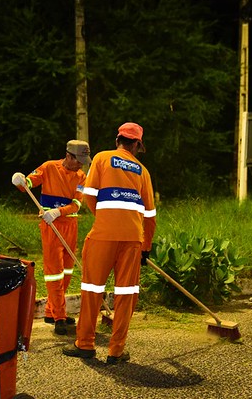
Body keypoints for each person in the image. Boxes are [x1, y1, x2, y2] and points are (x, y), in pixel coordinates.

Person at [63, 122, 156, 364]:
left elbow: (88, 196)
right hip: (133, 240)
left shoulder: (102, 158)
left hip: (102, 236)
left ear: (118, 140)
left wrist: (105, 218)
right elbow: (150, 216)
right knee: (126, 294)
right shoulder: (143, 171)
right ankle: (116, 351)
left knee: (92, 290)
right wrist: (146, 247)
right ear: (136, 145)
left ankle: (84, 345)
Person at [11, 140, 90, 335]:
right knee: (54, 271)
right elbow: (29, 184)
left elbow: (77, 204)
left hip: (70, 224)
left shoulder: (81, 177)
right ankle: (60, 317)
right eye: (78, 160)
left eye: (83, 161)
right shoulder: (48, 167)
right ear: (68, 156)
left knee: (67, 271)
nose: (81, 164)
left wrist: (58, 211)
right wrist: (21, 181)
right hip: (50, 226)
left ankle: (50, 311)